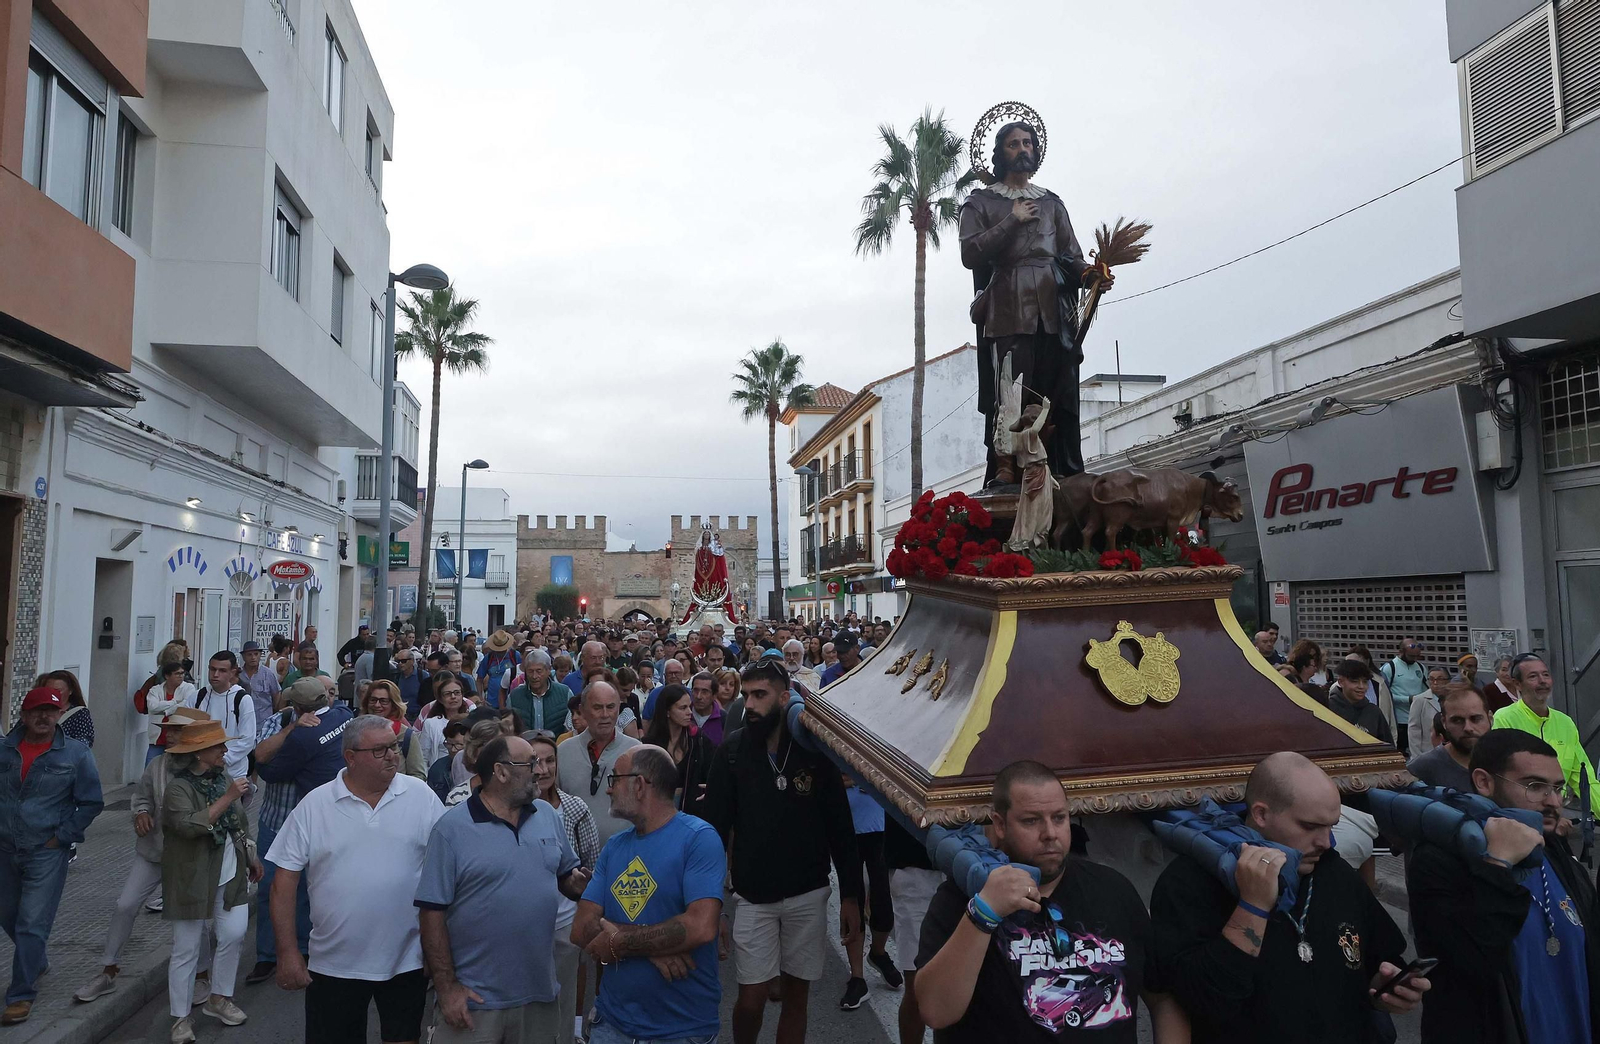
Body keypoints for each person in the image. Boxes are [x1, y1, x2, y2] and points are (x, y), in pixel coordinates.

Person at [1150, 752, 1425, 1043]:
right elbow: (1197, 1001)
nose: (1326, 841)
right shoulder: (1190, 881)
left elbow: (1377, 958)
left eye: (1331, 825)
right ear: (1261, 814)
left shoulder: (1334, 871)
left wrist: (1384, 988)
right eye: (1309, 826)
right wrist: (1252, 906)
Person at [916, 760, 1185, 1041]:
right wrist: (983, 915)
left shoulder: (1114, 889)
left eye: (1059, 818)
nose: (1050, 834)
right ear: (1000, 825)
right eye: (1031, 821)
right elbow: (936, 1011)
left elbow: (1163, 998)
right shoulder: (961, 899)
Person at [1407, 727, 1600, 1042]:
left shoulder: (1552, 848)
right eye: (1535, 786)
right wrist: (1497, 865)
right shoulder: (1440, 860)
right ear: (1484, 781)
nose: (1553, 802)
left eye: (1558, 788)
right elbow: (1468, 963)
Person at [705, 659, 862, 1044]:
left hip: (808, 892)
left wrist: (852, 896)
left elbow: (841, 828)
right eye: (746, 696)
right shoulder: (732, 752)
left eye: (760, 695)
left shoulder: (814, 752)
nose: (751, 704)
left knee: (796, 997)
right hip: (753, 896)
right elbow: (712, 834)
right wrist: (712, 907)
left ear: (784, 697)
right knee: (751, 998)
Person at [267, 715, 444, 1044]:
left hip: (407, 960)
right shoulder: (315, 805)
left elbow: (446, 871)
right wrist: (288, 952)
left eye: (393, 746)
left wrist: (440, 951)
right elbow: (283, 883)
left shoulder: (420, 796)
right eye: (380, 750)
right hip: (334, 965)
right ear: (350, 756)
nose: (393, 755)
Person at [415, 735, 592, 1043]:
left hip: (539, 996)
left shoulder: (547, 815)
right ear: (500, 772)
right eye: (531, 763)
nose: (539, 771)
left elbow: (566, 876)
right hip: (475, 1001)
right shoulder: (451, 829)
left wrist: (579, 882)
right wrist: (447, 989)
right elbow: (432, 914)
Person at [574, 746, 725, 1044]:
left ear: (640, 785)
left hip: (682, 1030)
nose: (608, 790)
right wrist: (652, 947)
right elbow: (581, 929)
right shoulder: (614, 847)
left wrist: (618, 940)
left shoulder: (699, 839)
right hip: (611, 1023)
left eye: (614, 779)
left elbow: (700, 927)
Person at [73, 709, 209, 1005]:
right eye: (167, 730)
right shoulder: (157, 764)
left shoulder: (205, 767)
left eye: (175, 730)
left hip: (189, 857)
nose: (168, 735)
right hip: (153, 851)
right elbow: (142, 797)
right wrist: (142, 813)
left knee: (192, 918)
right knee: (125, 904)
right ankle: (108, 970)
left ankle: (201, 976)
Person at [0, 687, 103, 1025]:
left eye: (51, 711)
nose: (44, 717)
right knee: (9, 915)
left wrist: (62, 838)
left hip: (45, 851)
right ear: (23, 714)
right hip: (4, 849)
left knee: (31, 921)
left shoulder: (75, 754)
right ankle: (36, 959)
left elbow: (91, 801)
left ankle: (20, 994)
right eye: (37, 711)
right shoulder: (4, 750)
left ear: (60, 715)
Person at [160, 718, 261, 1042]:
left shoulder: (222, 778)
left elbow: (238, 823)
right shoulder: (179, 788)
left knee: (233, 933)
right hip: (191, 875)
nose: (225, 750)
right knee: (187, 949)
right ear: (200, 752)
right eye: (218, 746)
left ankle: (219, 998)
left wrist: (250, 856)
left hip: (229, 872)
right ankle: (180, 1019)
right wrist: (229, 797)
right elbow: (189, 826)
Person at [245, 677, 352, 985]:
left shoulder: (338, 719)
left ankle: (305, 950)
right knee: (269, 889)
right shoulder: (277, 721)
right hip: (277, 820)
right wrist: (292, 728)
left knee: (308, 888)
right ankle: (267, 956)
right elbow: (260, 757)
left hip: (312, 823)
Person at [528, 731, 599, 1044]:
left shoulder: (575, 808)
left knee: (565, 998)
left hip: (565, 923)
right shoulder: (510, 810)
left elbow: (590, 864)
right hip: (524, 926)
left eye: (549, 760)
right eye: (535, 762)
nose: (543, 769)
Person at [1494, 654, 1597, 813]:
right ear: (1517, 684)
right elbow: (1505, 778)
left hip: (1555, 812)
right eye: (1533, 676)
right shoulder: (1505, 718)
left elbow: (1584, 777)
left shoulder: (1565, 723)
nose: (1542, 681)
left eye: (1546, 675)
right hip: (1520, 815)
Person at [558, 682, 642, 848]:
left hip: (625, 858)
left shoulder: (636, 751)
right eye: (597, 707)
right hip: (574, 862)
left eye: (610, 707)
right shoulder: (563, 752)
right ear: (583, 710)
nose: (605, 714)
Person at [839, 782, 898, 1011]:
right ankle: (857, 977)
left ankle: (878, 952)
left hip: (881, 826)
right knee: (851, 898)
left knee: (883, 901)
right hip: (846, 826)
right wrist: (852, 777)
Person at [640, 684, 715, 819]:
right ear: (667, 711)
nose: (690, 712)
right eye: (682, 708)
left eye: (689, 707)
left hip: (692, 816)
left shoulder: (698, 740)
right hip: (656, 816)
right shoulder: (649, 745)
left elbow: (715, 769)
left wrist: (712, 787)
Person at [1407, 683, 1492, 792]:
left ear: (1490, 718)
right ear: (1444, 722)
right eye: (1457, 720)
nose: (1468, 728)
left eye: (1475, 719)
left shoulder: (1506, 762)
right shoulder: (1421, 769)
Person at [193, 651, 257, 784]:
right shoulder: (197, 696)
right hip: (200, 771)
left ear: (232, 673)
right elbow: (186, 729)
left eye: (222, 670)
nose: (215, 675)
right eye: (212, 669)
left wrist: (223, 759)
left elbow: (248, 740)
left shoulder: (242, 699)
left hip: (233, 774)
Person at [361, 680, 426, 780]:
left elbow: (418, 775)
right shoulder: (358, 732)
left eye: (383, 701)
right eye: (373, 700)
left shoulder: (406, 735)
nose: (377, 705)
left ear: (394, 704)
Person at [141, 659, 199, 764]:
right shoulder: (155, 690)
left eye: (182, 673)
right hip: (158, 739)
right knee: (150, 765)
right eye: (177, 674)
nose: (181, 676)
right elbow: (152, 707)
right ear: (167, 676)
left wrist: (166, 711)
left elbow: (185, 706)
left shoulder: (188, 688)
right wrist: (174, 701)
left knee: (177, 767)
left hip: (179, 739)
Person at [1325, 658, 1394, 745]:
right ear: (1341, 682)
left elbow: (1387, 747)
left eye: (1365, 682)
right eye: (1355, 681)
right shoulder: (1326, 709)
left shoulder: (1374, 712)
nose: (1361, 686)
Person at [506, 649, 571, 734]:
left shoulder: (565, 693)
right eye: (530, 671)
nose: (534, 676)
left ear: (549, 670)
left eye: (539, 671)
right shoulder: (514, 696)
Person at [1380, 638, 1427, 754]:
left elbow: (1426, 688)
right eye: (1411, 656)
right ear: (1400, 652)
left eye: (1417, 656)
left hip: (1418, 717)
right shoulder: (1390, 668)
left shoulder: (1420, 667)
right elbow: (1385, 694)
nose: (1415, 659)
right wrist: (1407, 699)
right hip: (1400, 720)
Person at [419, 673, 475, 768]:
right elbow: (423, 758)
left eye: (457, 693)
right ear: (440, 699)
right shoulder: (430, 724)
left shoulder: (472, 721)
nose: (453, 697)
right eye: (448, 694)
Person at [1408, 666, 1452, 755]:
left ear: (1448, 681)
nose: (1435, 683)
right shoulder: (1419, 700)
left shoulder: (1455, 699)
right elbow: (1414, 730)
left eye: (1440, 679)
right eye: (1431, 679)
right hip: (1427, 751)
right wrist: (1417, 755)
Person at [239, 641, 281, 727]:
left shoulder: (268, 673)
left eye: (256, 654)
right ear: (243, 657)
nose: (253, 657)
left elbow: (276, 694)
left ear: (260, 655)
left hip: (263, 722)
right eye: (249, 655)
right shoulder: (238, 674)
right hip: (242, 722)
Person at [477, 630, 521, 710]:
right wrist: (481, 698)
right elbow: (479, 679)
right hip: (491, 702)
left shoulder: (515, 655)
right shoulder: (488, 658)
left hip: (511, 700)